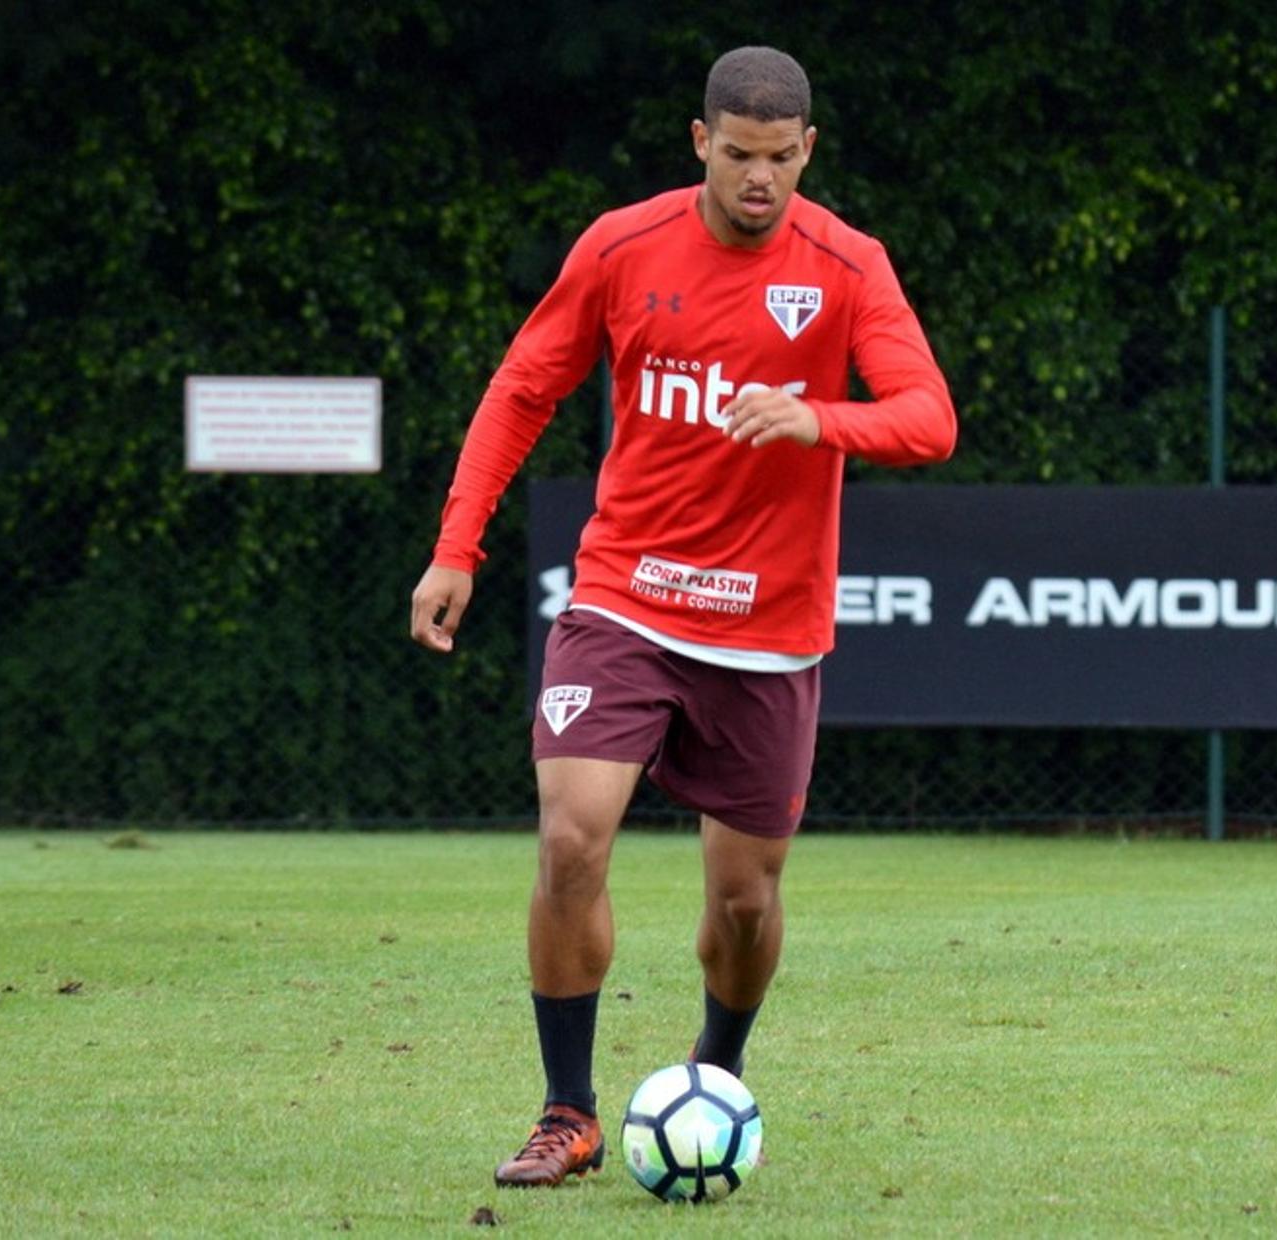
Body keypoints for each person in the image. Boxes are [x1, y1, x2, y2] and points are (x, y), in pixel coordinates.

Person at [409, 45, 956, 1189]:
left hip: (770, 626)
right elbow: (523, 387)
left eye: (781, 160)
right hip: (626, 594)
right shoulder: (620, 245)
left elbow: (928, 417)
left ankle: (714, 1078)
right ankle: (568, 1109)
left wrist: (820, 419)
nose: (760, 180)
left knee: (745, 902)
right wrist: (457, 546)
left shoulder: (849, 266)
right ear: (699, 141)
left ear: (808, 150)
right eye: (739, 156)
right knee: (569, 836)